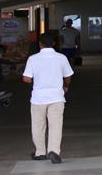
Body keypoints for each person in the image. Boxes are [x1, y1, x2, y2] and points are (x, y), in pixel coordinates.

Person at [22, 32, 72, 164]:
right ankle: (53, 151)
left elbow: (26, 78)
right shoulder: (61, 58)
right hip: (56, 97)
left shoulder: (33, 59)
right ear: (54, 43)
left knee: (38, 126)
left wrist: (35, 80)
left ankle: (40, 152)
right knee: (55, 126)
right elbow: (68, 76)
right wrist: (66, 86)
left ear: (40, 44)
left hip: (38, 98)